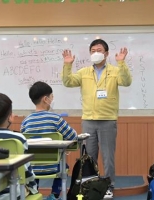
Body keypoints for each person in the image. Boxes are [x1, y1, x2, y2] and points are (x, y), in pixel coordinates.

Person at [61, 39, 132, 198]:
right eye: (92, 50)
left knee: (108, 157)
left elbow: (127, 81)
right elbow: (68, 82)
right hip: (88, 120)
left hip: (107, 120)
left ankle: (109, 186)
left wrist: (121, 63)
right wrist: (67, 65)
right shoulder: (84, 72)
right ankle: (91, 186)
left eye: (99, 50)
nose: (95, 53)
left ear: (106, 54)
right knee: (89, 157)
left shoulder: (114, 71)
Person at [21, 81, 78, 200]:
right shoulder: (56, 119)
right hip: (53, 167)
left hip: (31, 168)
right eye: (51, 96)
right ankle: (54, 195)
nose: (53, 99)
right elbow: (73, 136)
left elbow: (23, 143)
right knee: (64, 166)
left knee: (32, 163)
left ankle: (34, 192)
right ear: (46, 99)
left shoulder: (26, 121)